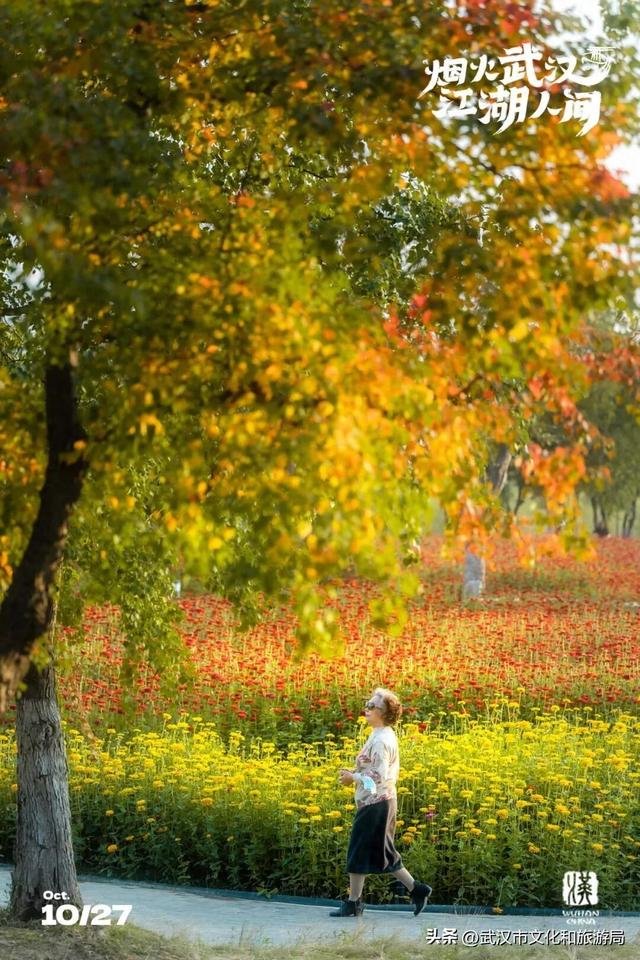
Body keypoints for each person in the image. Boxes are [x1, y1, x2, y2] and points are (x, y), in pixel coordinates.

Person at [329, 687, 432, 918]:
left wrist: (353, 778)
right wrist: (356, 771)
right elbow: (373, 768)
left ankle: (353, 903)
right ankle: (417, 889)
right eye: (367, 704)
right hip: (380, 802)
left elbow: (380, 775)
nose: (366, 709)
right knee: (383, 853)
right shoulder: (379, 734)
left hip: (376, 804)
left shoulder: (381, 740)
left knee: (358, 852)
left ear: (384, 713)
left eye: (372, 706)